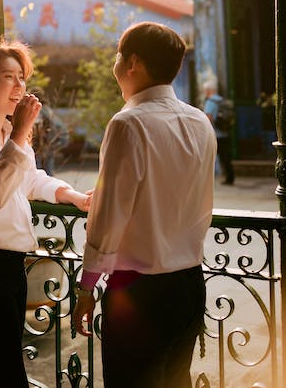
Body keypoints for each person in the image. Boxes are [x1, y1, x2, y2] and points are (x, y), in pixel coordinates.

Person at [73, 22, 216, 388]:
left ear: (132, 62)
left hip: (139, 290)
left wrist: (87, 286)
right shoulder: (200, 122)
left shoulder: (128, 124)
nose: (115, 64)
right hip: (189, 282)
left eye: (118, 56)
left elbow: (107, 217)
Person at [0, 41, 92, 388]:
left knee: (1, 370)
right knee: (8, 372)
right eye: (8, 77)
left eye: (21, 77)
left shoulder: (7, 136)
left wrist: (71, 195)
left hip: (11, 266)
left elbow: (30, 180)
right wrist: (21, 132)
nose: (18, 87)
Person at [31, 88, 69, 176]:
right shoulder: (47, 110)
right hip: (47, 145)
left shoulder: (40, 110)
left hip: (41, 146)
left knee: (39, 173)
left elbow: (61, 131)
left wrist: (51, 145)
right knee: (47, 174)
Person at [203, 80, 234, 185]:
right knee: (226, 157)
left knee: (208, 157)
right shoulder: (222, 100)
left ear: (208, 90)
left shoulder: (210, 102)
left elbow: (208, 117)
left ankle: (205, 178)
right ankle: (230, 177)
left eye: (205, 90)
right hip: (225, 132)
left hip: (215, 134)